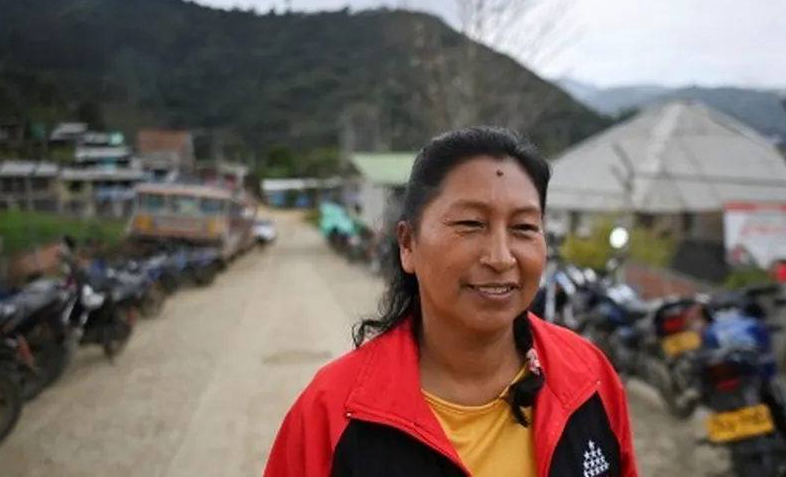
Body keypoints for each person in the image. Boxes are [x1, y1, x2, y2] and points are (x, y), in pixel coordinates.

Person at [263, 126, 638, 477]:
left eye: (524, 227)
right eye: (471, 224)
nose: (501, 257)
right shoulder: (330, 414)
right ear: (408, 244)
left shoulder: (589, 377)